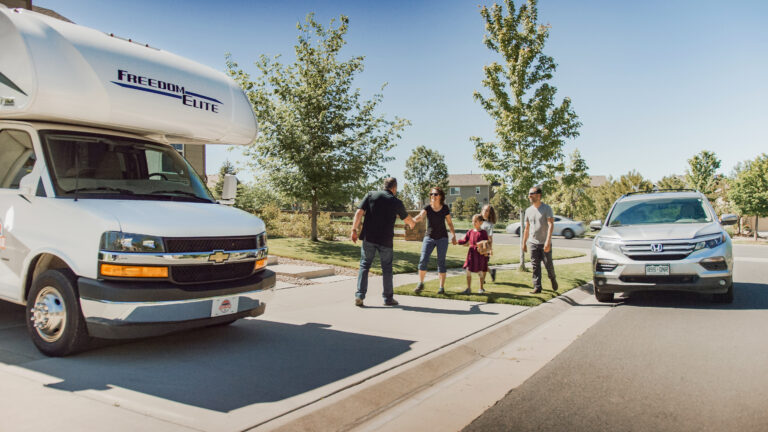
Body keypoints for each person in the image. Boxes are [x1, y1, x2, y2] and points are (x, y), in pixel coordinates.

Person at [351, 177, 415, 307]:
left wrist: (354, 229)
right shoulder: (396, 201)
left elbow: (359, 213)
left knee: (364, 265)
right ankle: (388, 298)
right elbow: (407, 219)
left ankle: (359, 296)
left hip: (369, 238)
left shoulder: (371, 195)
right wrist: (413, 223)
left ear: (384, 186)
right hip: (385, 240)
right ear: (394, 188)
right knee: (387, 269)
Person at [412, 187, 457, 295]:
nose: (433, 196)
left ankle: (441, 287)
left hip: (442, 238)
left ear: (440, 196)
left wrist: (454, 235)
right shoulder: (427, 207)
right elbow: (420, 216)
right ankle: (421, 283)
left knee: (441, 262)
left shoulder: (445, 208)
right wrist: (412, 220)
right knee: (423, 260)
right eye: (431, 194)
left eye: (435, 194)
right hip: (429, 237)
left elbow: (450, 223)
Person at [522, 185, 559, 294]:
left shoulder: (546, 208)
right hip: (533, 243)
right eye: (529, 194)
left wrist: (548, 241)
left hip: (544, 243)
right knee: (535, 266)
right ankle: (537, 287)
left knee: (548, 265)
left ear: (538, 195)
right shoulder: (528, 211)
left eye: (531, 194)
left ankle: (552, 278)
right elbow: (527, 228)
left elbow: (550, 224)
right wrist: (524, 243)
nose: (529, 196)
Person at [457, 214, 490, 294]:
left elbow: (486, 242)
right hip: (471, 254)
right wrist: (457, 241)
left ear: (481, 222)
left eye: (475, 221)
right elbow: (465, 240)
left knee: (480, 271)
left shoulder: (483, 232)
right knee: (468, 270)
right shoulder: (470, 232)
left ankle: (481, 288)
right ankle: (468, 288)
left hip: (479, 254)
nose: (473, 223)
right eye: (473, 221)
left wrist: (483, 247)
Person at [480, 204, 497, 283]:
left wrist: (490, 249)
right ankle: (491, 272)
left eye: (487, 211)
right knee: (480, 264)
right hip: (478, 246)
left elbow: (490, 238)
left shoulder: (489, 225)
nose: (485, 212)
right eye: (484, 209)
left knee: (483, 264)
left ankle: (482, 281)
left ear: (489, 213)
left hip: (485, 247)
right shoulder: (479, 221)